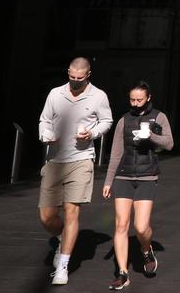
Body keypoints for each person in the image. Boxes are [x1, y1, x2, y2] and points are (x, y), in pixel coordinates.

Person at [38, 57, 113, 285]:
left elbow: (106, 121)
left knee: (72, 211)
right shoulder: (55, 94)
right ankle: (62, 237)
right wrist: (45, 135)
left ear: (88, 75)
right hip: (55, 160)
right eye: (71, 76)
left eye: (79, 78)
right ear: (68, 72)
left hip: (81, 160)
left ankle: (63, 266)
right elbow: (44, 120)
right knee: (47, 216)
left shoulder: (98, 96)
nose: (75, 81)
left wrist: (92, 134)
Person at [103, 81, 174, 290]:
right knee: (121, 225)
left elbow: (170, 143)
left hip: (147, 176)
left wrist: (150, 136)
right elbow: (115, 153)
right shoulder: (124, 120)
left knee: (141, 227)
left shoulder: (159, 117)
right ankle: (123, 273)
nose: (135, 103)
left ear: (148, 98)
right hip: (123, 176)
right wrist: (108, 181)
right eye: (132, 99)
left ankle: (146, 249)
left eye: (139, 99)